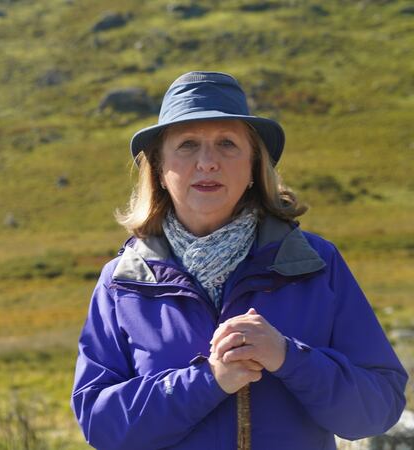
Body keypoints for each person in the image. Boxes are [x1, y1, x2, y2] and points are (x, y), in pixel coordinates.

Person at [71, 71, 407, 449]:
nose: (208, 162)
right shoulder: (122, 281)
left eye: (227, 144)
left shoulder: (315, 263)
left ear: (252, 167)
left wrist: (288, 357)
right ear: (160, 169)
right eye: (187, 145)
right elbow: (101, 425)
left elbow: (378, 408)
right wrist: (210, 379)